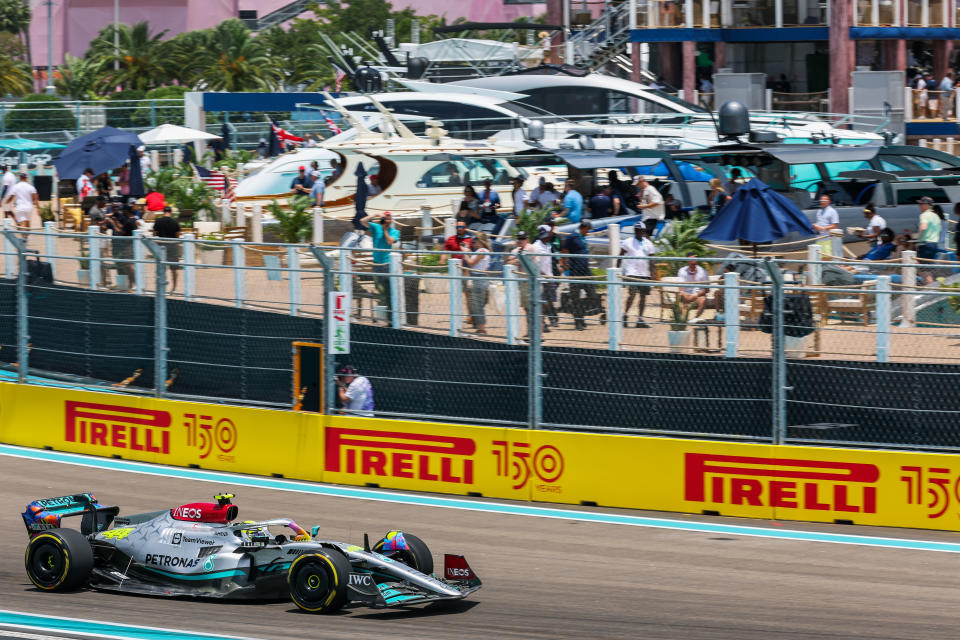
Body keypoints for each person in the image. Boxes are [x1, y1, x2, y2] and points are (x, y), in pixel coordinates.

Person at [358, 211, 399, 315]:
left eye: (389, 218)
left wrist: (385, 230)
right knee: (378, 288)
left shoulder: (394, 231)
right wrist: (375, 215)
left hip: (387, 264)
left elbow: (390, 242)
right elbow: (362, 221)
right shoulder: (376, 227)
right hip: (376, 264)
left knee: (388, 289)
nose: (387, 220)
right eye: (386, 218)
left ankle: (390, 312)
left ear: (391, 220)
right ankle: (382, 310)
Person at [620, 223, 657, 328]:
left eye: (641, 230)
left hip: (644, 273)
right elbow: (620, 254)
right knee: (632, 294)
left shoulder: (648, 243)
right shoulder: (628, 242)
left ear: (644, 231)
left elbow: (652, 259)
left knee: (643, 297)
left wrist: (653, 272)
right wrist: (617, 269)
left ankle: (640, 319)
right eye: (637, 230)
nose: (639, 232)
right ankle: (625, 315)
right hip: (632, 273)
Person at [561, 221, 594, 330]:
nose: (588, 232)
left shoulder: (582, 237)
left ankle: (581, 314)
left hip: (585, 270)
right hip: (575, 270)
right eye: (587, 230)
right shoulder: (572, 237)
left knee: (591, 294)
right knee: (575, 297)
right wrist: (564, 264)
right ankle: (578, 321)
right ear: (583, 228)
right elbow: (564, 250)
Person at [463, 231, 492, 335]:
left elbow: (471, 263)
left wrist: (465, 253)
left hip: (479, 279)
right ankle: (481, 327)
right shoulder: (482, 251)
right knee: (476, 304)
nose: (473, 242)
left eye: (475, 240)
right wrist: (468, 250)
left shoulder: (482, 251)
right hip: (479, 278)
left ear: (480, 241)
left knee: (477, 305)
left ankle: (482, 329)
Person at [530, 224, 558, 331]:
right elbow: (535, 264)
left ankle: (542, 321)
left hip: (549, 277)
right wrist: (545, 276)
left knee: (548, 302)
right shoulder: (536, 247)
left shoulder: (548, 246)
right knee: (542, 302)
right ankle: (541, 324)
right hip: (541, 279)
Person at [107, 204, 138, 291]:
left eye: (123, 210)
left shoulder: (129, 222)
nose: (121, 212)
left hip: (129, 246)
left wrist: (113, 224)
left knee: (130, 265)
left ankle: (135, 284)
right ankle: (131, 285)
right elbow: (123, 228)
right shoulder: (132, 220)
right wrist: (116, 222)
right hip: (129, 245)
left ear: (126, 211)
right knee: (128, 265)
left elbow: (121, 232)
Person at [152, 206, 182, 292]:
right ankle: (174, 288)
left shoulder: (158, 221)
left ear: (163, 212)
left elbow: (154, 234)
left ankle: (161, 287)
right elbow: (178, 234)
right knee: (174, 269)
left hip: (162, 246)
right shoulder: (175, 222)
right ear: (171, 212)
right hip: (173, 245)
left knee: (161, 267)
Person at [678, 253, 710, 320]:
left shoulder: (703, 271)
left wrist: (696, 295)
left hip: (699, 294)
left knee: (703, 300)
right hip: (687, 293)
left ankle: (695, 318)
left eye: (694, 259)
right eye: (691, 260)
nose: (693, 261)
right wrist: (683, 293)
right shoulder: (682, 271)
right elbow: (680, 287)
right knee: (682, 296)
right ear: (687, 261)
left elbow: (707, 289)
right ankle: (684, 319)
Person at [916, 196, 941, 262]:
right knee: (927, 267)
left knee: (923, 268)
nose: (919, 206)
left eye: (921, 204)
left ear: (927, 205)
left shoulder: (924, 215)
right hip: (934, 244)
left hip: (925, 244)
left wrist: (917, 239)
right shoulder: (936, 216)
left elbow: (923, 227)